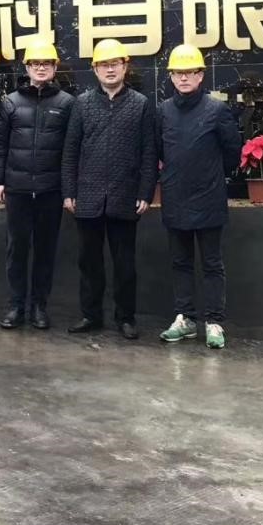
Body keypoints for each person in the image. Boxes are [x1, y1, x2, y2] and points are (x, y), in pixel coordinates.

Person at [61, 38, 157, 340]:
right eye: (104, 65)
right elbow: (70, 151)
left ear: (125, 66)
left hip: (125, 196)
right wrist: (69, 191)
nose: (110, 69)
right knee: (89, 262)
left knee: (125, 264)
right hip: (87, 197)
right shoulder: (82, 103)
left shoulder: (141, 104)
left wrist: (145, 192)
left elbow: (149, 153)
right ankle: (90, 315)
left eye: (115, 63)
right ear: (95, 70)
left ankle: (125, 318)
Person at [155, 44, 241, 349]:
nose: (184, 78)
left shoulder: (216, 110)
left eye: (190, 72)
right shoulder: (163, 111)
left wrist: (210, 176)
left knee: (212, 263)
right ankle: (186, 318)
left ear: (201, 75)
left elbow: (232, 153)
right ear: (171, 77)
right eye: (178, 73)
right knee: (180, 262)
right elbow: (159, 151)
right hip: (175, 196)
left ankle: (214, 321)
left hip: (209, 198)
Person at [0, 38, 75, 330]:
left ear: (54, 68)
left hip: (51, 190)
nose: (41, 68)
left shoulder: (66, 103)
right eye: (35, 64)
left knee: (45, 251)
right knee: (16, 250)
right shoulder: (11, 102)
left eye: (46, 64)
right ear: (26, 68)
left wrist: (68, 189)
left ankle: (39, 306)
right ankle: (16, 306)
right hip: (18, 189)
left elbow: (70, 150)